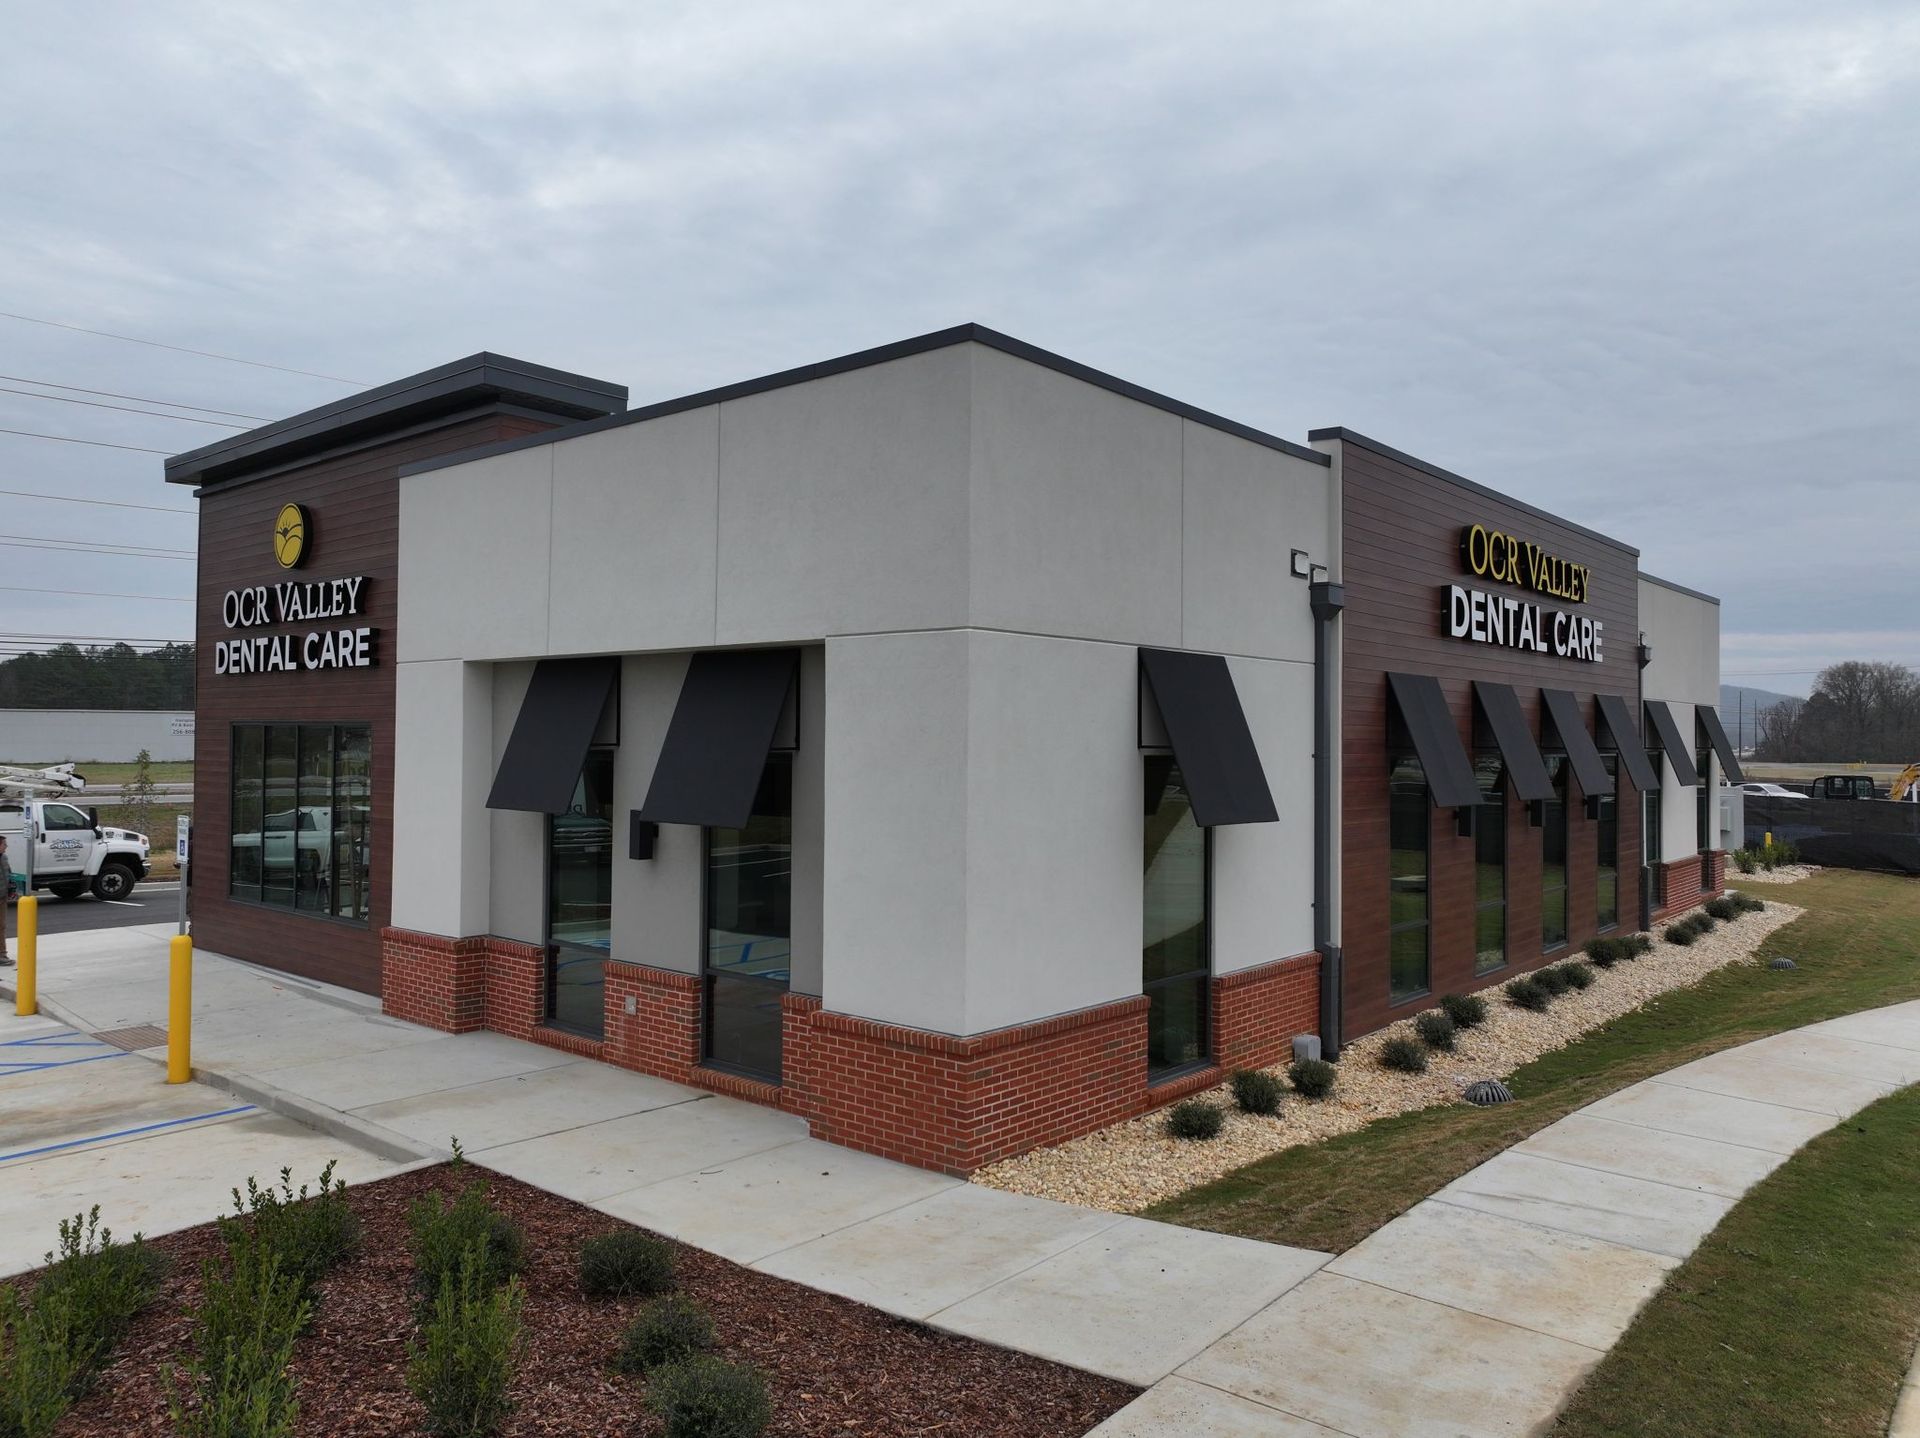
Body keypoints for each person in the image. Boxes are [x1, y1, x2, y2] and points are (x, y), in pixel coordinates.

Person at [1, 833, 14, 967]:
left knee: (2, 926)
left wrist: (11, 887)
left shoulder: (4, 858)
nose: (6, 847)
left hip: (2, 897)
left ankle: (2, 955)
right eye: (4, 844)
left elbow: (8, 874)